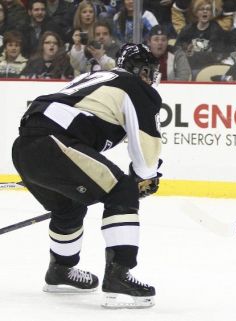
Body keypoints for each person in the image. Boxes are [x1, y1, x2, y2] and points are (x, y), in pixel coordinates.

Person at [12, 43, 162, 308]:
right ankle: (119, 275)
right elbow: (146, 152)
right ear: (142, 71)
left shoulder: (93, 77)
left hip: (25, 148)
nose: (151, 79)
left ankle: (61, 270)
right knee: (122, 191)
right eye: (150, 72)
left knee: (69, 208)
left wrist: (141, 174)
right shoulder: (134, 85)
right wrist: (144, 177)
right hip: (54, 143)